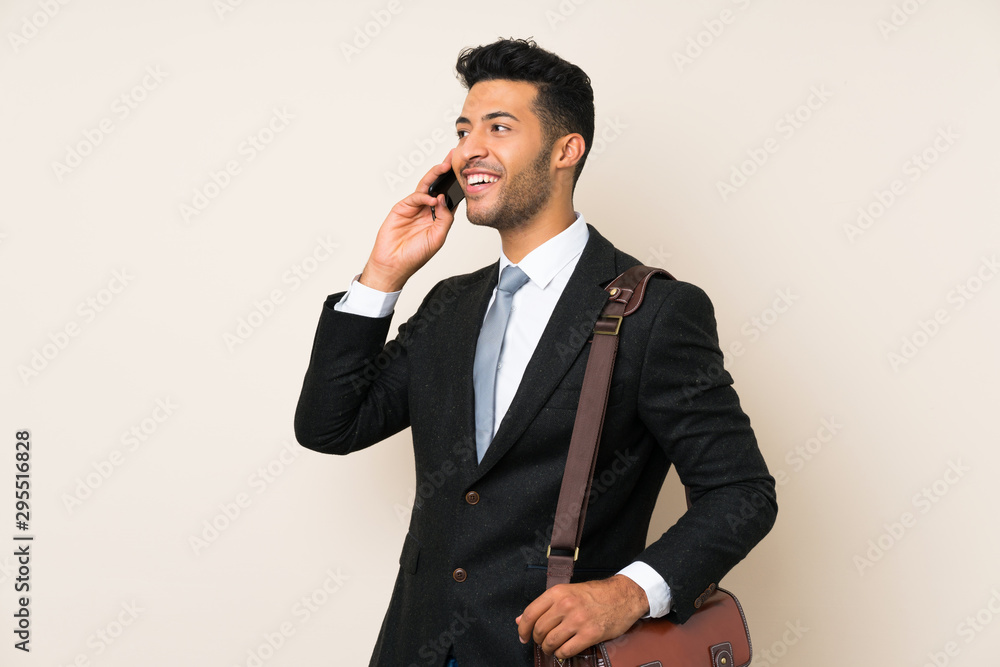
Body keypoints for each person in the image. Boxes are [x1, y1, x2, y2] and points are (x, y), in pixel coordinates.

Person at [294, 37, 777, 666]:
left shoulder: (654, 311)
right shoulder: (448, 305)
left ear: (565, 150)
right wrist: (382, 275)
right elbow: (330, 426)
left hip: (552, 655)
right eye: (463, 130)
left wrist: (631, 592)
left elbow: (741, 492)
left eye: (498, 127)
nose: (469, 149)